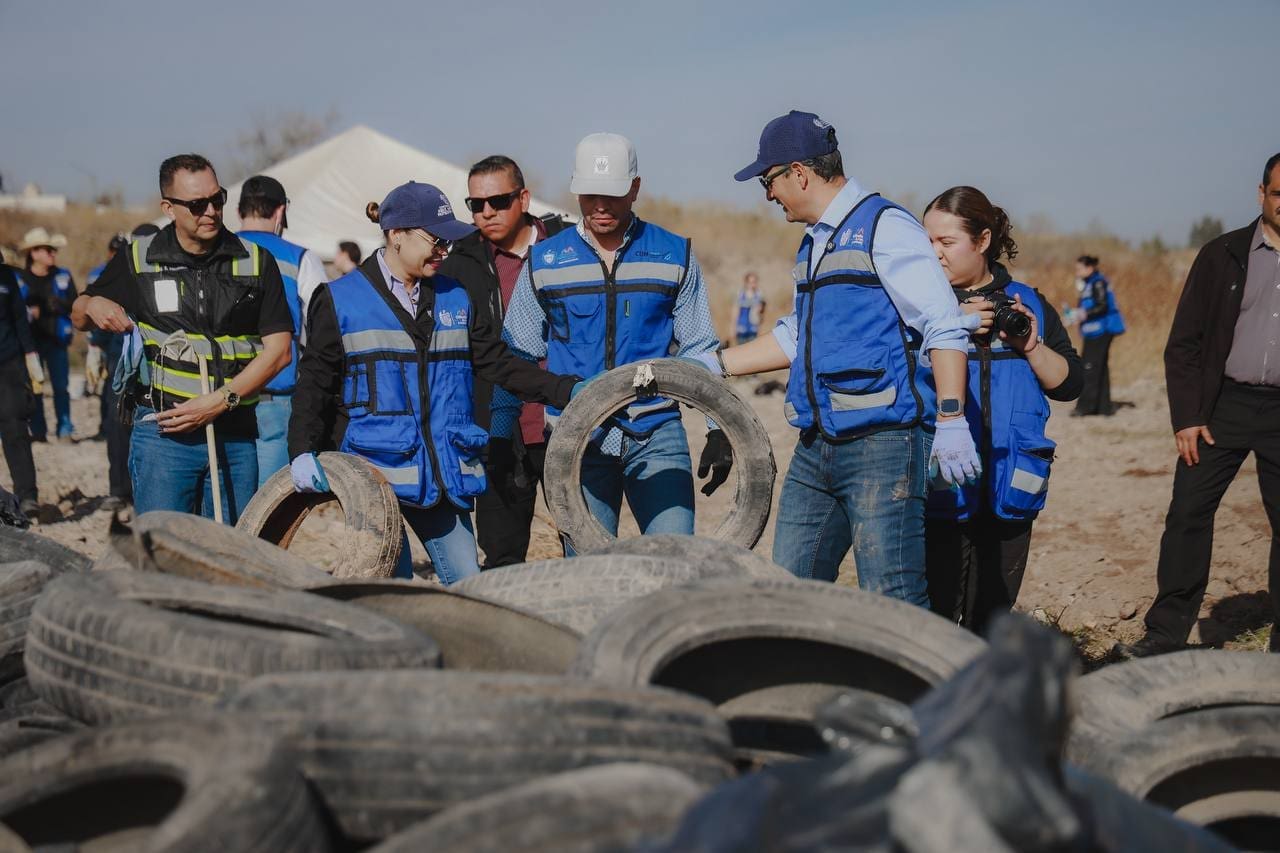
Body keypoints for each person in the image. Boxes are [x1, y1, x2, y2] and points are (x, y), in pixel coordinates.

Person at [704, 110, 981, 606]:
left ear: (799, 173)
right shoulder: (813, 244)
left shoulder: (886, 228)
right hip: (816, 446)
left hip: (884, 446)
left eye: (768, 181)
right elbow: (797, 336)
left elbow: (942, 324)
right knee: (788, 588)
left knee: (891, 595)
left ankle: (915, 684)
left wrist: (953, 417)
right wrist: (715, 366)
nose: (768, 194)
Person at [288, 181, 580, 584]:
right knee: (395, 588)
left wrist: (566, 390)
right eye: (435, 239)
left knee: (467, 584)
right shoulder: (340, 300)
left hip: (443, 474)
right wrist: (302, 450)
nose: (444, 250)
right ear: (396, 236)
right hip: (375, 478)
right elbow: (315, 384)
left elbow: (499, 363)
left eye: (448, 240)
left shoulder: (455, 296)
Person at [494, 133, 727, 547]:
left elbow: (699, 347)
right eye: (589, 194)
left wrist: (719, 425)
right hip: (577, 438)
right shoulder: (545, 261)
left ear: (635, 187)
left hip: (656, 432)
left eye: (614, 194)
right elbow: (518, 355)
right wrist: (500, 438)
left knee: (675, 563)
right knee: (588, 573)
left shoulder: (675, 254)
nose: (600, 206)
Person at [1116, 153, 1280, 658]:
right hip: (1220, 408)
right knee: (1187, 514)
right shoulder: (1222, 254)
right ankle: (1165, 635)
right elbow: (1184, 342)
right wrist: (1187, 417)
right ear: (1262, 194)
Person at [72, 153, 293, 523]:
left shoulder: (256, 261)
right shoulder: (138, 259)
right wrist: (92, 303)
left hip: (234, 435)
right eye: (196, 204)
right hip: (163, 437)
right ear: (168, 207)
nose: (210, 211)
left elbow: (280, 352)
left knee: (229, 556)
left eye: (217, 199)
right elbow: (78, 312)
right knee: (163, 551)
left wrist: (219, 402)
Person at [920, 186, 1083, 633]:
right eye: (927, 241)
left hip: (1012, 486)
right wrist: (951, 324)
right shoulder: (920, 308)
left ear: (984, 240)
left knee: (990, 621)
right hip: (943, 486)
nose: (934, 254)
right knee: (933, 617)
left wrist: (1029, 345)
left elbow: (1070, 384)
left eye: (946, 243)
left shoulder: (1029, 303)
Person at [438, 156, 570, 568]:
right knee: (501, 557)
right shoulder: (457, 264)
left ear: (524, 198)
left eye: (498, 200)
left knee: (584, 547)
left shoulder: (571, 248)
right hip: (496, 429)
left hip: (567, 418)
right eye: (476, 204)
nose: (487, 212)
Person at [236, 175, 328, 488]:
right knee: (265, 504)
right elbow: (321, 330)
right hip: (275, 394)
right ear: (280, 212)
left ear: (239, 211)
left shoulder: (216, 252)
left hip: (221, 393)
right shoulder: (300, 258)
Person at [86, 232, 135, 511]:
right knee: (117, 426)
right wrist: (96, 350)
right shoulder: (110, 279)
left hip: (151, 363)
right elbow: (98, 320)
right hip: (118, 361)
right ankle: (118, 490)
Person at [17, 228, 76, 441]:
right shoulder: (19, 279)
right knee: (34, 388)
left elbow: (76, 305)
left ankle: (65, 428)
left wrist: (61, 304)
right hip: (30, 343)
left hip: (57, 341)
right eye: (47, 249)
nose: (52, 253)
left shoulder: (64, 276)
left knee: (61, 387)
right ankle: (38, 431)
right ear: (33, 252)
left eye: (53, 249)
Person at [0, 262, 43, 517]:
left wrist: (30, 354)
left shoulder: (6, 276)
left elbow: (19, 317)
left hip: (8, 361)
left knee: (15, 426)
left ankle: (27, 496)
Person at [1071, 254, 1124, 416]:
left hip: (1101, 330)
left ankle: (1086, 407)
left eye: (1079, 268)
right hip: (1094, 331)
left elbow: (1102, 306)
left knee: (1089, 367)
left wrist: (1083, 314)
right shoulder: (1089, 283)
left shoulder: (1098, 282)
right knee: (1099, 367)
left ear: (1090, 268)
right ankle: (1104, 407)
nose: (1077, 272)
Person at [735, 272, 767, 345]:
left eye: (754, 282)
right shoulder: (741, 294)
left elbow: (762, 314)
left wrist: (760, 309)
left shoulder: (759, 295)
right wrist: (733, 327)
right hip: (741, 328)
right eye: (750, 282)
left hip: (753, 329)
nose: (752, 284)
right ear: (746, 283)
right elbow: (736, 312)